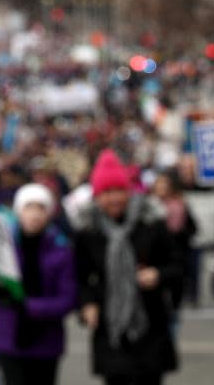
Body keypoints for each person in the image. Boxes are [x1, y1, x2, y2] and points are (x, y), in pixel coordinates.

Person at [74, 149, 182, 385]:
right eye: (107, 192)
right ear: (97, 196)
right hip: (110, 328)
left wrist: (158, 274)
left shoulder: (151, 222)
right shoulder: (88, 230)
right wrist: (87, 304)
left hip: (150, 323)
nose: (114, 199)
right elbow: (80, 276)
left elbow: (177, 265)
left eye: (119, 191)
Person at [0, 183, 76, 385]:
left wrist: (28, 306)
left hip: (45, 341)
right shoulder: (4, 245)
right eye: (29, 207)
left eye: (41, 208)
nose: (34, 214)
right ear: (19, 211)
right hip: (8, 337)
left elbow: (67, 299)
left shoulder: (61, 249)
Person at [150, 169, 198, 310]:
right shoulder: (149, 206)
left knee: (176, 289)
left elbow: (192, 227)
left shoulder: (180, 204)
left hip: (178, 252)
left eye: (164, 185)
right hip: (157, 255)